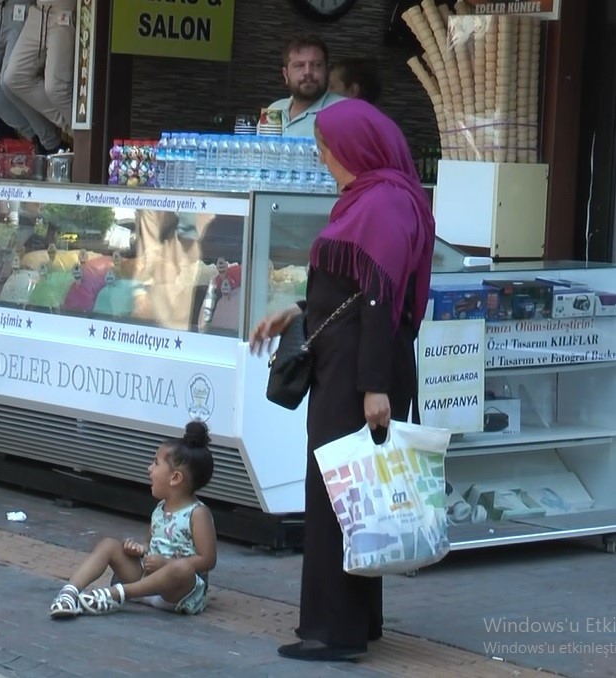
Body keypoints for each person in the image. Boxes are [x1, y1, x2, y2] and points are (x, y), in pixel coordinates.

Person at [248, 99, 435, 662]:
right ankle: (359, 620)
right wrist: (298, 311)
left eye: (326, 149)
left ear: (355, 149)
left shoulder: (381, 204)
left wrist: (373, 386)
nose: (323, 158)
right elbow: (354, 290)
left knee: (334, 495)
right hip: (351, 363)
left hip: (360, 372)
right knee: (357, 491)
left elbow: (381, 298)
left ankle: (332, 632)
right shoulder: (375, 199)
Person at [48, 421, 217, 618]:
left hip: (176, 593)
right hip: (146, 582)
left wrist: (166, 564)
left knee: (182, 569)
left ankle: (115, 594)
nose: (149, 468)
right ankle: (69, 593)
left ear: (175, 478)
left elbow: (208, 560)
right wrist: (139, 548)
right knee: (109, 545)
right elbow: (150, 543)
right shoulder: (161, 508)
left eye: (155, 463)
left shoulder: (198, 513)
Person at [268, 35, 347, 138]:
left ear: (326, 72)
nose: (307, 72)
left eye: (316, 65)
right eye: (299, 65)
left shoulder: (345, 111)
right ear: (286, 75)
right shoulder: (274, 110)